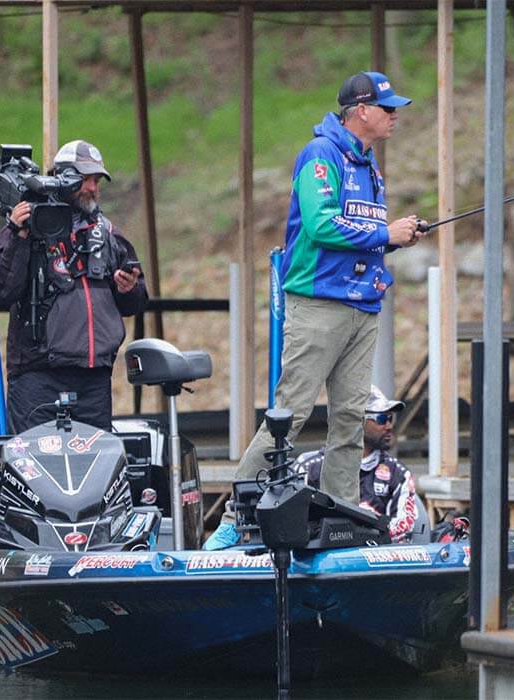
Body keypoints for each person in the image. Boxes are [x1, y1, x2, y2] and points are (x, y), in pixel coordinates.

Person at [204, 71, 424, 550]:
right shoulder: (320, 156)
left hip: (363, 307)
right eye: (388, 109)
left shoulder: (370, 167)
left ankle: (340, 522)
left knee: (349, 417)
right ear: (360, 110)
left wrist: (394, 240)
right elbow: (323, 226)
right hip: (319, 304)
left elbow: (360, 236)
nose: (394, 117)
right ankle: (235, 516)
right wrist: (387, 234)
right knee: (291, 414)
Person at [0, 139, 148, 433]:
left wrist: (130, 288)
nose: (92, 187)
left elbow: (137, 301)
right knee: (35, 468)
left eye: (97, 180)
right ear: (63, 177)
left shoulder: (107, 232)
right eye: (85, 179)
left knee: (94, 467)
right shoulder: (27, 225)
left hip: (94, 380)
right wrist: (16, 234)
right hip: (37, 378)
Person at [296, 385, 420, 543]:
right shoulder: (308, 468)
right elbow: (293, 523)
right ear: (357, 422)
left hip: (375, 562)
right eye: (381, 419)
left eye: (390, 418)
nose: (389, 426)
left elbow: (406, 527)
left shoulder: (399, 474)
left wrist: (361, 531)